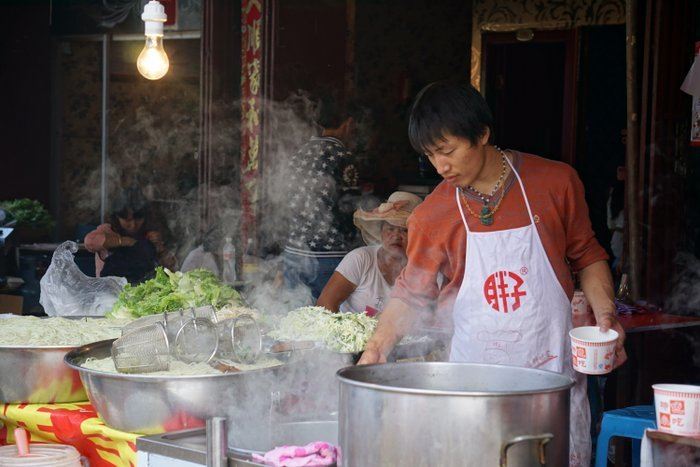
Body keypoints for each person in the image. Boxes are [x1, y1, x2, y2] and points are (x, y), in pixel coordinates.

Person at [358, 81, 627, 467]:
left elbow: (587, 256)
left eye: (447, 150)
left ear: (482, 134)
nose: (440, 167)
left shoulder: (556, 182)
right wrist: (376, 349)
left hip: (552, 376)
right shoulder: (432, 215)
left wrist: (606, 318)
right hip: (473, 387)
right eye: (430, 156)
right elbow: (411, 294)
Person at [282, 94, 360, 299]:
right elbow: (350, 208)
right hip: (330, 257)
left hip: (294, 251)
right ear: (348, 124)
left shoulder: (299, 153)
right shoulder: (343, 156)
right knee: (326, 323)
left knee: (293, 317)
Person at [316, 191, 422, 315]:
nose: (396, 236)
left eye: (404, 230)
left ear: (417, 236)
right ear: (381, 230)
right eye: (390, 229)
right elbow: (325, 304)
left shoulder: (427, 268)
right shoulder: (360, 258)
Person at [85, 189, 177, 284]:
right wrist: (126, 242)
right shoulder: (108, 230)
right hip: (110, 289)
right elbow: (90, 242)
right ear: (117, 217)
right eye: (127, 220)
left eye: (138, 219)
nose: (133, 225)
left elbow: (170, 268)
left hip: (144, 288)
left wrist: (161, 250)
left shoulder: (150, 232)